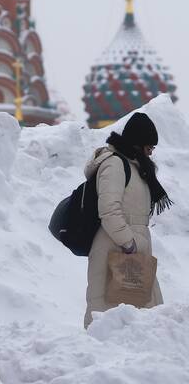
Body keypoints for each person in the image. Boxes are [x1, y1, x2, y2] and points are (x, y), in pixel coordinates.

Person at [84, 111, 171, 328]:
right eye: (149, 146)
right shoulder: (115, 164)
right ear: (137, 143)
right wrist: (129, 242)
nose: (151, 153)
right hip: (115, 248)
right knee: (109, 317)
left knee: (143, 317)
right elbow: (109, 209)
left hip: (131, 249)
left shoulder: (136, 168)